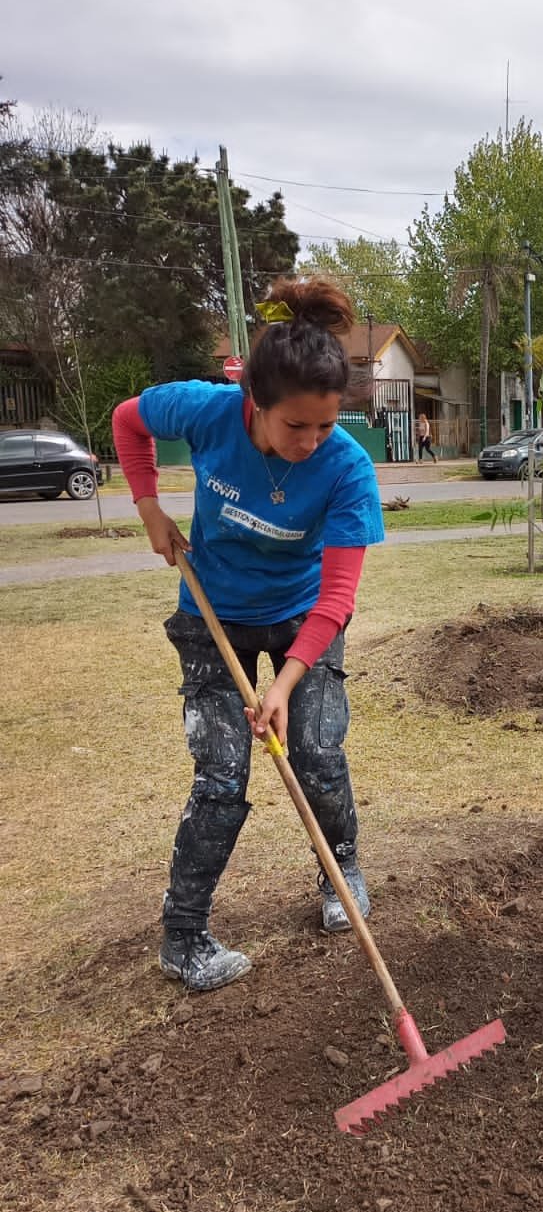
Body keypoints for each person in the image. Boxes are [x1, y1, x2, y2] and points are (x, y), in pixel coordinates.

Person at [112, 277, 386, 993]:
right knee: (222, 774)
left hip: (303, 614)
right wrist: (149, 510)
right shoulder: (205, 413)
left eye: (325, 425)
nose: (311, 441)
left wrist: (288, 684)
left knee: (317, 750)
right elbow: (125, 420)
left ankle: (341, 871)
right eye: (295, 426)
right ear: (254, 407)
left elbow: (338, 598)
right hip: (214, 615)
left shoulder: (348, 470)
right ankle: (183, 935)